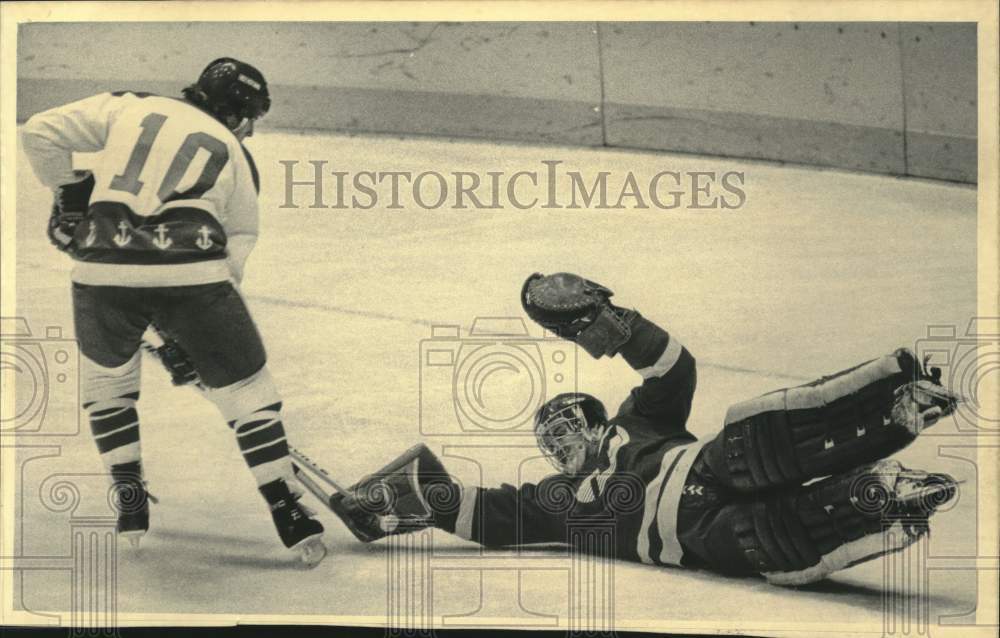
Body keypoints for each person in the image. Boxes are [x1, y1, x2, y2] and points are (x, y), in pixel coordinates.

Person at [320, 272, 959, 585]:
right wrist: (402, 497)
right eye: (548, 441)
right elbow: (482, 516)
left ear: (597, 421)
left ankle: (891, 403)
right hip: (699, 539)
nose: (558, 443)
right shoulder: (549, 503)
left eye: (566, 426)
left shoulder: (640, 421)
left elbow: (672, 366)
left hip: (706, 468)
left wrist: (608, 322)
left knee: (749, 442)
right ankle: (880, 501)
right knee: (768, 539)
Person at [20, 58, 326, 566]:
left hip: (99, 270)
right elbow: (237, 244)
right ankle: (287, 510)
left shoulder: (129, 106)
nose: (250, 129)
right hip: (193, 276)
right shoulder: (235, 154)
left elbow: (41, 131)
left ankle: (129, 500)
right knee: (249, 394)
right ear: (237, 114)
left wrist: (70, 194)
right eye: (250, 117)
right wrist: (193, 339)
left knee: (107, 384)